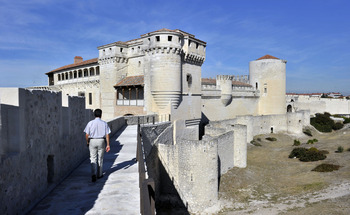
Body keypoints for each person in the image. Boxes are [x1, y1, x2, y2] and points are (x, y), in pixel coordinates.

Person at [84, 109, 111, 182]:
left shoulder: (90, 123)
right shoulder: (104, 123)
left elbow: (87, 134)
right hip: (101, 140)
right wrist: (108, 144)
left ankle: (93, 174)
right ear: (101, 115)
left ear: (94, 115)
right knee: (100, 158)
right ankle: (99, 174)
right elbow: (107, 134)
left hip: (92, 140)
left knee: (93, 158)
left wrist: (87, 142)